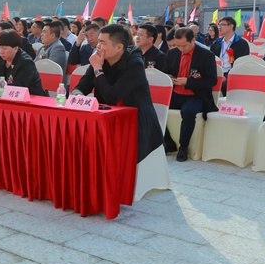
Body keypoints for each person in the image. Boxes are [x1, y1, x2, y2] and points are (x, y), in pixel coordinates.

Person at [72, 24, 163, 162]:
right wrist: (79, 97)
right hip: (105, 119)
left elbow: (112, 97)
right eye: (98, 42)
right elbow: (79, 88)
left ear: (119, 47)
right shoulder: (100, 60)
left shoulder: (134, 64)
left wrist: (98, 70)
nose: (98, 46)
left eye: (103, 43)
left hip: (134, 123)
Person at [163, 28, 218, 161]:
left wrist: (188, 82)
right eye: (178, 45)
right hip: (175, 93)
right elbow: (165, 72)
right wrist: (169, 78)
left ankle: (183, 146)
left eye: (184, 46)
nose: (181, 49)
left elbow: (211, 81)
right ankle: (168, 142)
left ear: (193, 41)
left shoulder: (206, 55)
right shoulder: (172, 53)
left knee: (188, 112)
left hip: (195, 95)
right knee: (154, 108)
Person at [0, 30, 48, 96]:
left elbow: (17, 87)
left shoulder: (26, 62)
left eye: (4, 48)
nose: (1, 51)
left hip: (32, 97)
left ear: (16, 48)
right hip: (4, 96)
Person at [210, 16, 250, 95]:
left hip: (232, 75)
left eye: (222, 25)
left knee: (223, 86)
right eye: (219, 25)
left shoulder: (241, 43)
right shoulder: (216, 43)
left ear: (231, 26)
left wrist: (227, 76)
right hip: (216, 73)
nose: (219, 27)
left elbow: (241, 64)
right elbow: (210, 60)